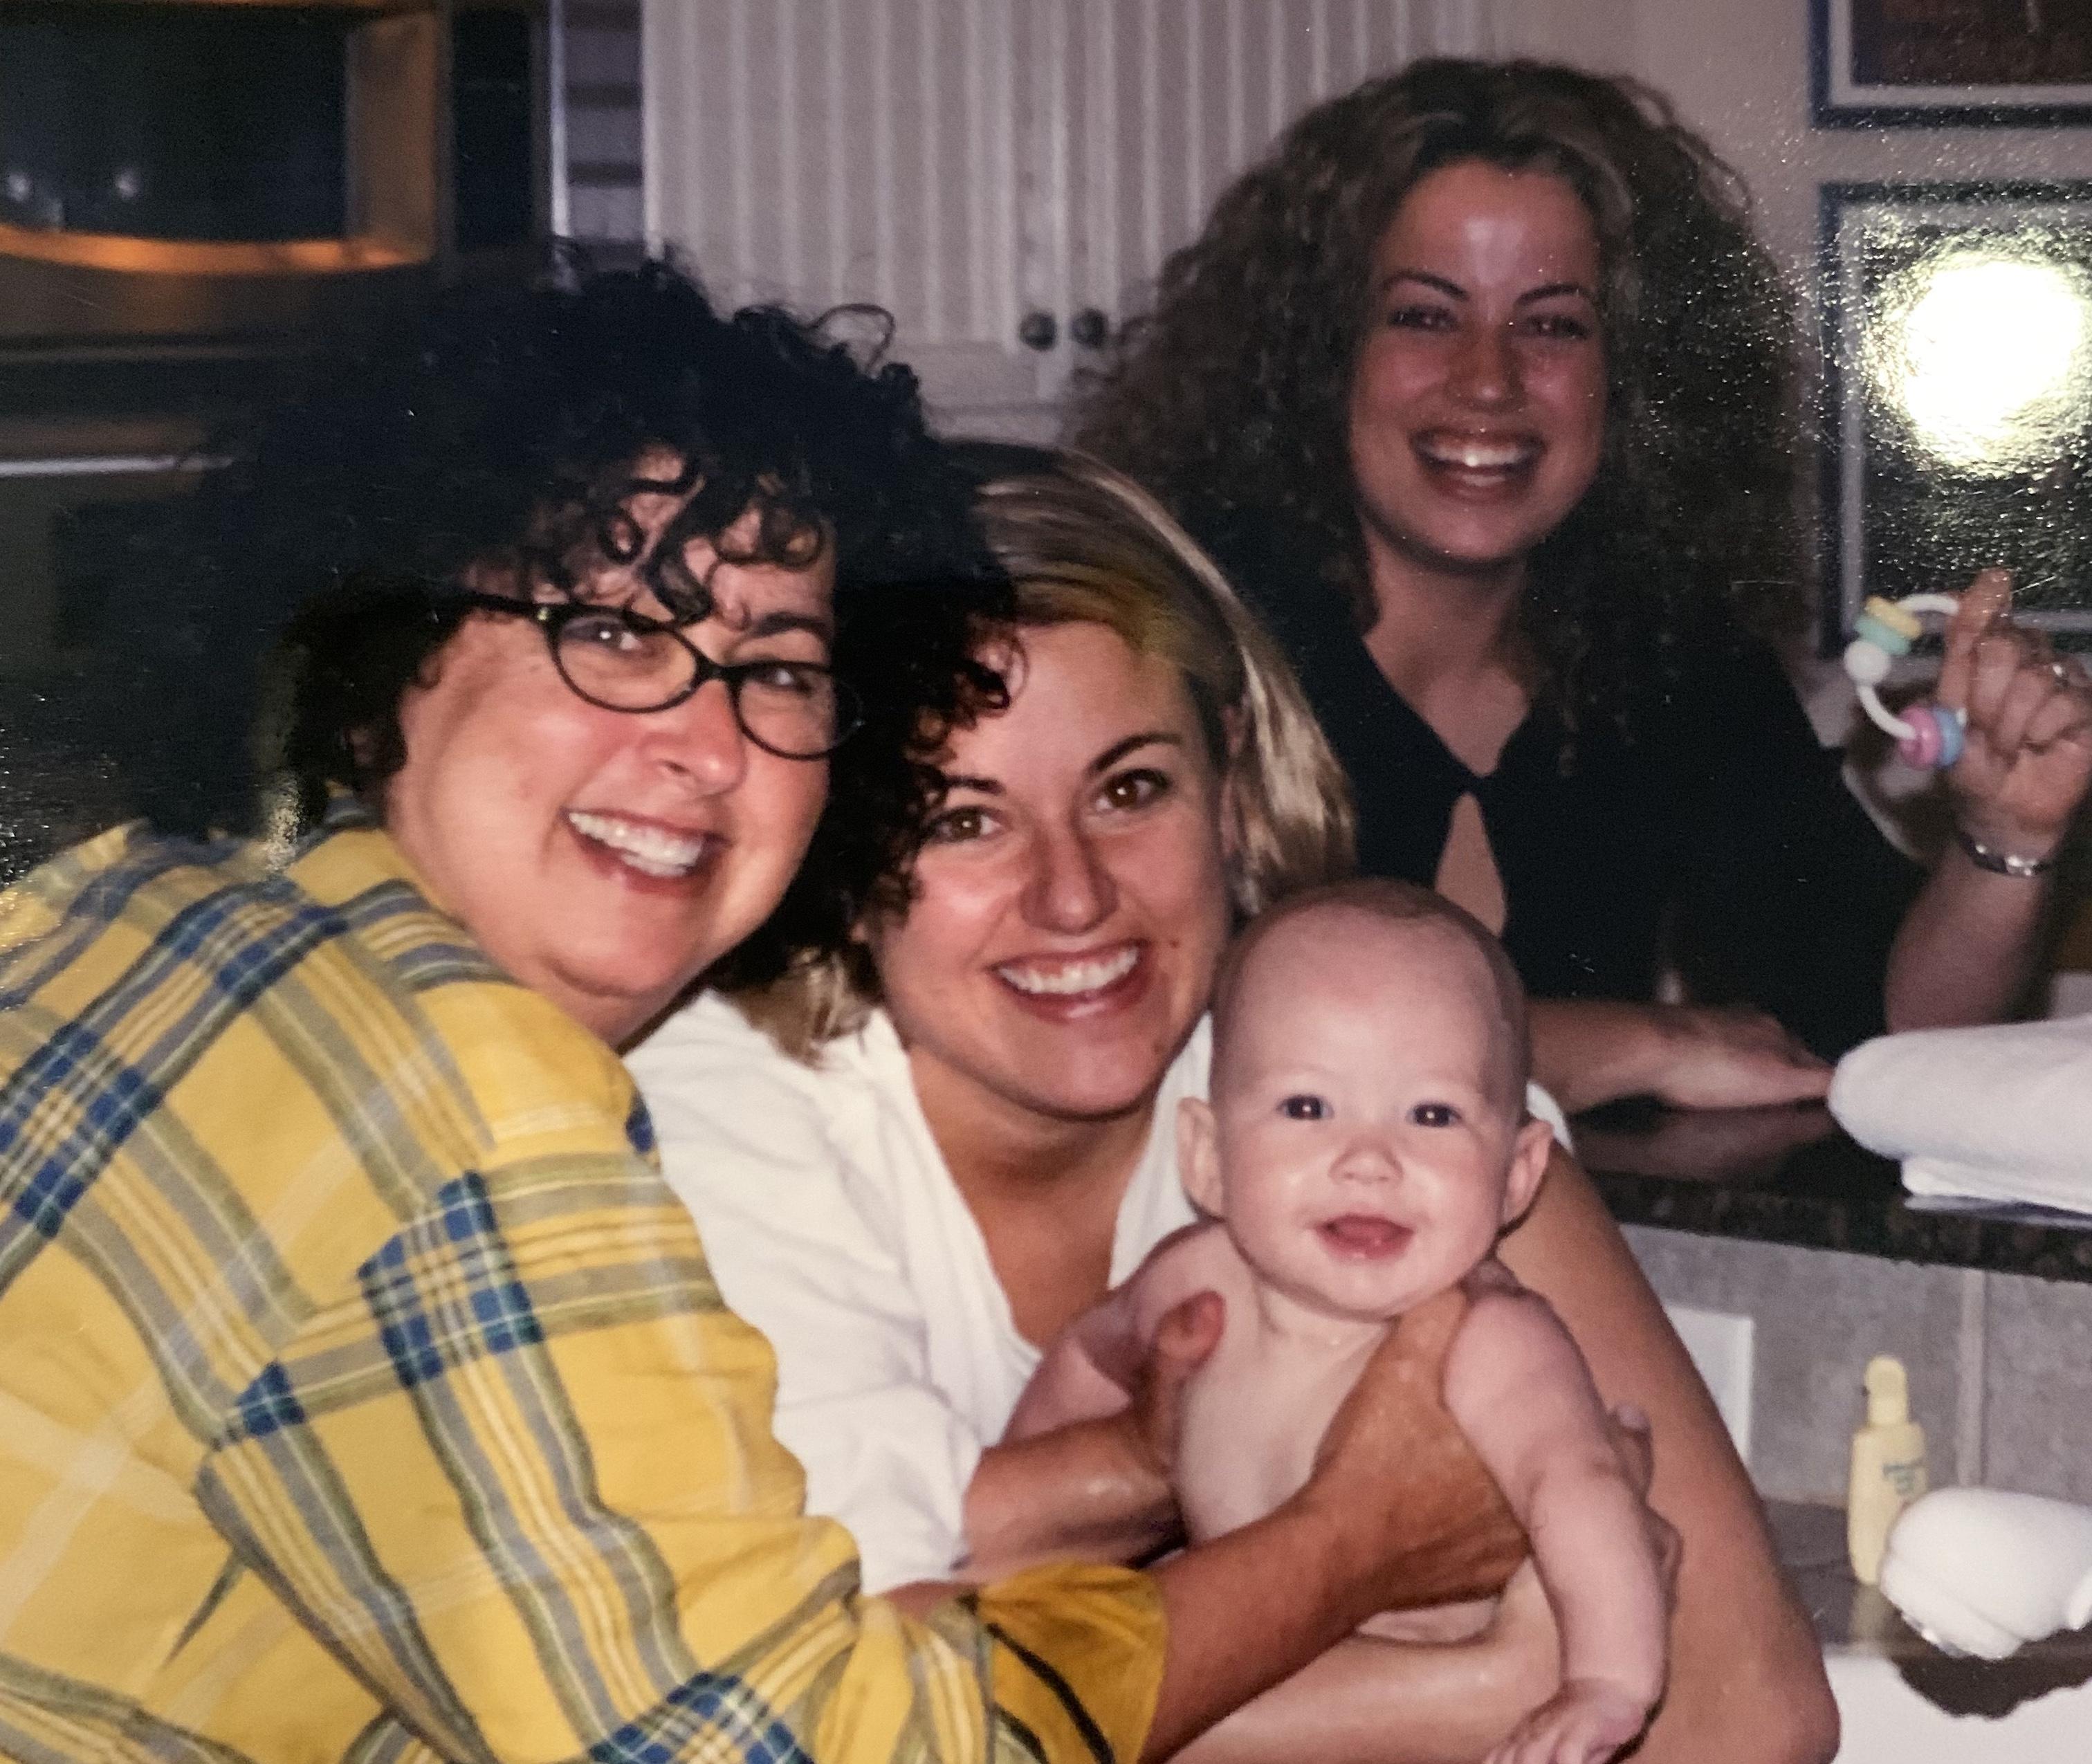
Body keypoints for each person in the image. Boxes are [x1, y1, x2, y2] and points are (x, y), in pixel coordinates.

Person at [0, 265, 1524, 1764]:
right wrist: (1349, 1545)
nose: (707, 746)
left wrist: (1139, 1463)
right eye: (613, 635)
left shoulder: (142, 910)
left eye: (777, 670)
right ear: (375, 665)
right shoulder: (462, 1107)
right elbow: (806, 1750)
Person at [632, 445, 1839, 1763]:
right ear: (840, 847)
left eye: (1129, 789)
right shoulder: (716, 1116)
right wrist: (1462, 1674)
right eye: (962, 821)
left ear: (1230, 780)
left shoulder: (1377, 1106)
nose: (1073, 897)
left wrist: (1100, 1508)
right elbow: (842, 1713)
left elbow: (1749, 1713)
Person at [1074, 58, 2092, 1113]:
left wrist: (2005, 838)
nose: (1488, 380)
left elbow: (1881, 1036)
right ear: (1322, 357)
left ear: (1633, 377)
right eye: (1425, 316)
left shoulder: (1664, 654)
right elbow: (1150, 1042)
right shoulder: (1174, 639)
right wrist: (1620, 1042)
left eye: (1553, 324)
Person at [1009, 880, 1667, 1764]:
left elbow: (1580, 1483)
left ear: (1517, 1174)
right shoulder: (1192, 1284)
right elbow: (1088, 1358)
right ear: (1206, 1156)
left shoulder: (1487, 1340)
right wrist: (1031, 1552)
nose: (1368, 1160)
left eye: (1431, 1114)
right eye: (1307, 1107)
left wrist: (1608, 1683)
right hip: (1257, 1690)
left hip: (1421, 1735)